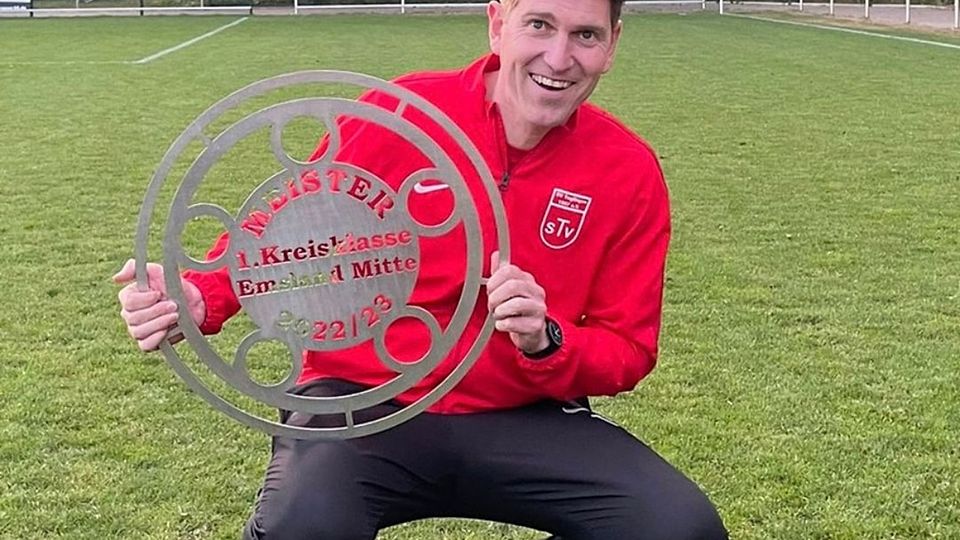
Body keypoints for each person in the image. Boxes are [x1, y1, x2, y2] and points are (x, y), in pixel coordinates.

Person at [114, 0, 729, 538]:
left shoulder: (627, 169)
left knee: (677, 526)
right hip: (362, 401)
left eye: (585, 35)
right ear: (498, 23)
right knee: (305, 526)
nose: (559, 57)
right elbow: (291, 218)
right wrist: (203, 294)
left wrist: (546, 341)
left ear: (612, 44)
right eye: (539, 25)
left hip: (525, 413)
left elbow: (628, 348)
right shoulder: (404, 112)